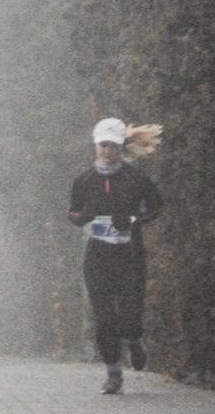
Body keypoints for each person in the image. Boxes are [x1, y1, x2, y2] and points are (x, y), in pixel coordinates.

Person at [67, 117, 164, 394]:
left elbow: (157, 206)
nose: (108, 152)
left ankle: (134, 340)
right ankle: (113, 373)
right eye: (103, 146)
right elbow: (72, 213)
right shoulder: (84, 180)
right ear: (96, 146)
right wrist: (83, 217)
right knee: (104, 317)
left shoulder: (135, 178)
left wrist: (134, 220)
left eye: (113, 146)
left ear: (122, 148)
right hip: (97, 256)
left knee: (130, 312)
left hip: (130, 254)